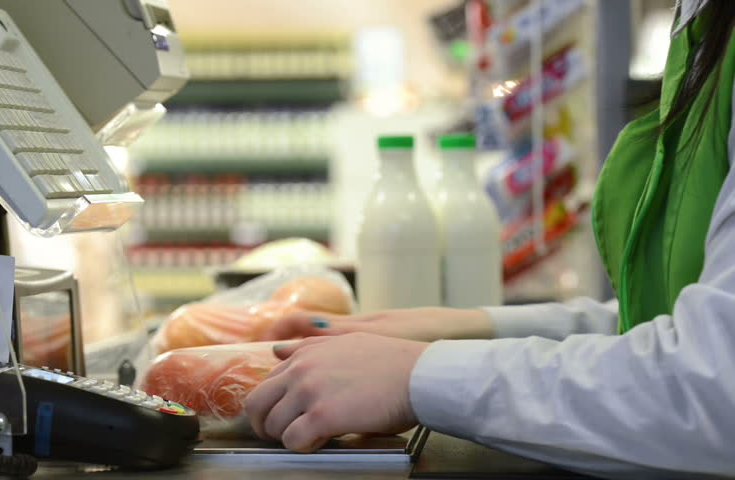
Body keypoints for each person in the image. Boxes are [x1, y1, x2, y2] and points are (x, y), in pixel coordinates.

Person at [244, 1, 735, 477]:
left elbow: (714, 385)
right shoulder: (703, 28)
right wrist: (463, 328)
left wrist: (419, 376)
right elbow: (660, 321)